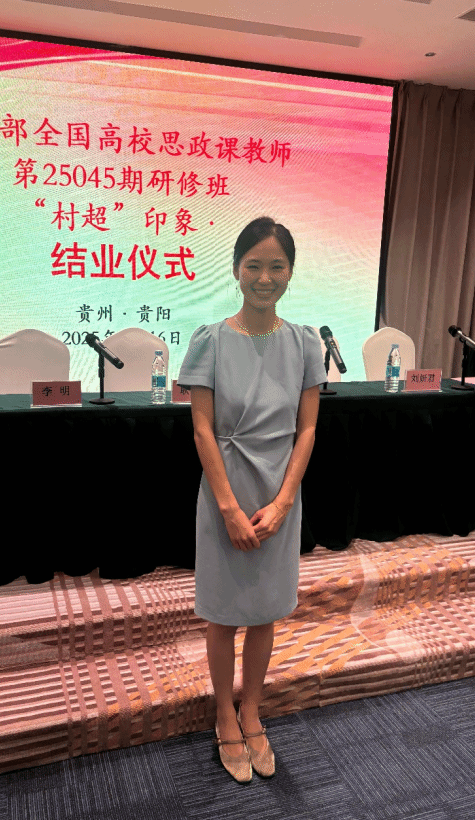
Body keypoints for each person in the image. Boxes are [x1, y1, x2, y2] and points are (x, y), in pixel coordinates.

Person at [177, 216, 327, 782]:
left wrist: (285, 502)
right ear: (236, 270)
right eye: (254, 266)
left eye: (277, 267)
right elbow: (201, 429)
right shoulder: (210, 340)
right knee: (223, 613)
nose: (265, 278)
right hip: (226, 492)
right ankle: (223, 714)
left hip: (279, 494)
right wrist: (229, 508)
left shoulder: (304, 342)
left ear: (291, 272)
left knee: (265, 612)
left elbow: (307, 429)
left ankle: (252, 711)